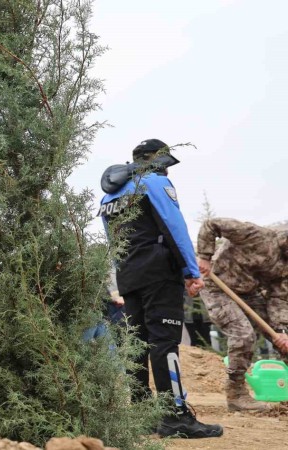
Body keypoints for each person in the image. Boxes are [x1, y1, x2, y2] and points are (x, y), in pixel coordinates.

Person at [98, 139, 222, 439]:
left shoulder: (110, 196)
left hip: (128, 276)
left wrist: (124, 274)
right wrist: (191, 272)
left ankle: (143, 415)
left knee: (137, 344)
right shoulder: (154, 182)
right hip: (159, 275)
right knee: (164, 342)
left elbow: (114, 242)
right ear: (157, 160)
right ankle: (175, 416)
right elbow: (174, 226)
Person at [197, 218, 288, 411]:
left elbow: (278, 298)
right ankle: (236, 393)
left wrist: (281, 332)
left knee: (286, 339)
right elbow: (211, 224)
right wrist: (205, 257)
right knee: (243, 334)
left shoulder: (285, 267)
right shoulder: (258, 236)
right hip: (217, 287)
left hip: (249, 293)